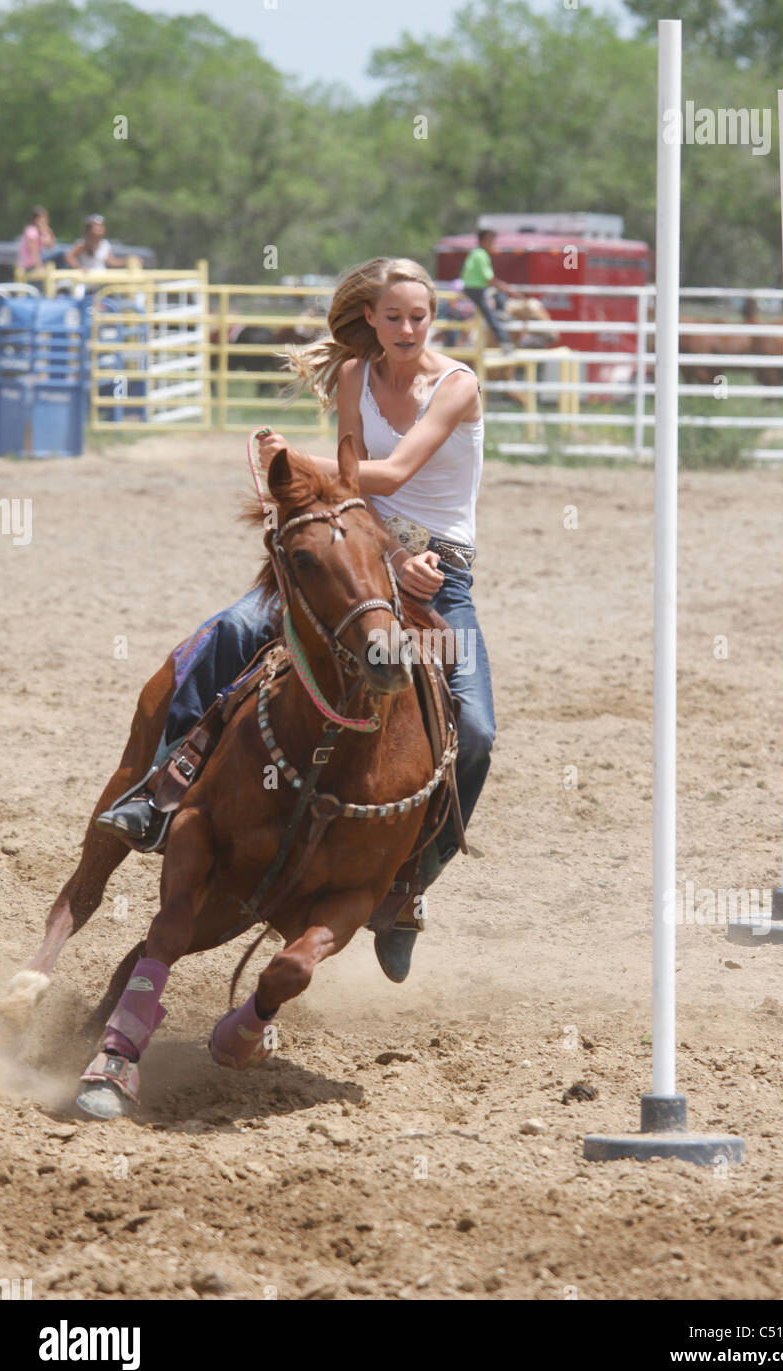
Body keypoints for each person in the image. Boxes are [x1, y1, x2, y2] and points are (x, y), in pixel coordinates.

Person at [98, 257, 496, 983]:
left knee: (474, 732)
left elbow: (394, 472)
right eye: (394, 316)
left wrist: (293, 458)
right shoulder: (355, 376)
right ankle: (160, 787)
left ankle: (408, 884)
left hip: (440, 572)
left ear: (433, 319)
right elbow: (354, 488)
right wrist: (374, 544)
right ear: (370, 318)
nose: (408, 328)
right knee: (231, 632)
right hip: (359, 552)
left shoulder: (458, 385)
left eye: (420, 316)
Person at [460, 227, 525, 349]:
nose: (493, 244)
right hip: (475, 289)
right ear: (484, 240)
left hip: (474, 287)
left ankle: (501, 312)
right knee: (490, 315)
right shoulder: (481, 255)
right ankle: (505, 342)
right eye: (491, 241)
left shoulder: (475, 253)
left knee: (497, 294)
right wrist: (508, 289)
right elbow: (489, 279)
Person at [16, 205, 56, 272]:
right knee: (62, 254)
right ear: (36, 219)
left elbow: (51, 246)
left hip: (36, 263)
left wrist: (47, 231)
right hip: (30, 265)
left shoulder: (40, 232)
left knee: (61, 253)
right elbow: (34, 252)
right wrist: (39, 268)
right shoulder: (32, 231)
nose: (46, 220)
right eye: (43, 218)